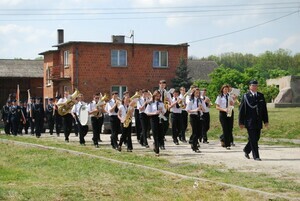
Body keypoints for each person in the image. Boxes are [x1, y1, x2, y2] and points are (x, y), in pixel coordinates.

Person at [239, 80, 269, 161]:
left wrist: (266, 121)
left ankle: (246, 149)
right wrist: (241, 122)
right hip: (249, 121)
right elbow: (242, 110)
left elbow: (264, 110)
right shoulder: (246, 96)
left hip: (258, 120)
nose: (255, 87)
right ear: (250, 86)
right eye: (253, 85)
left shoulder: (261, 96)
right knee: (253, 138)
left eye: (256, 85)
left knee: (257, 137)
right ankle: (256, 156)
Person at [145, 90, 166, 156]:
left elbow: (164, 111)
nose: (158, 97)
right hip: (153, 118)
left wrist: (162, 111)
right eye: (156, 96)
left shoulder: (161, 103)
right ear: (154, 96)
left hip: (160, 118)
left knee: (161, 134)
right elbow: (147, 112)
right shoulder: (151, 103)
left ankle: (155, 144)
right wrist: (154, 113)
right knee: (155, 134)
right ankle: (157, 151)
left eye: (159, 96)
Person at [215, 84, 234, 150]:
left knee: (230, 128)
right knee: (225, 128)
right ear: (222, 89)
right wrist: (224, 109)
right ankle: (227, 144)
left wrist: (232, 103)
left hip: (230, 112)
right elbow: (217, 107)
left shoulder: (229, 96)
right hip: (223, 113)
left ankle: (222, 139)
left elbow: (232, 103)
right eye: (225, 89)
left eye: (227, 89)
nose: (226, 90)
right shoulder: (220, 97)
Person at [186, 88, 204, 153]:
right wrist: (196, 110)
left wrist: (201, 108)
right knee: (195, 132)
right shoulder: (191, 100)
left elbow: (204, 110)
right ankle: (194, 146)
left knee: (199, 132)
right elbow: (187, 110)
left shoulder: (201, 100)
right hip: (193, 116)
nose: (197, 94)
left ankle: (194, 143)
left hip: (199, 116)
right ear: (193, 93)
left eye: (198, 93)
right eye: (196, 93)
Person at [158, 80, 171, 149]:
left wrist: (169, 104)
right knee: (160, 127)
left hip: (165, 111)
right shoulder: (157, 92)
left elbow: (170, 101)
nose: (162, 85)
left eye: (164, 84)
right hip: (158, 111)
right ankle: (161, 144)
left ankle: (161, 137)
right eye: (161, 84)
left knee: (166, 125)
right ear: (159, 84)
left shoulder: (167, 93)